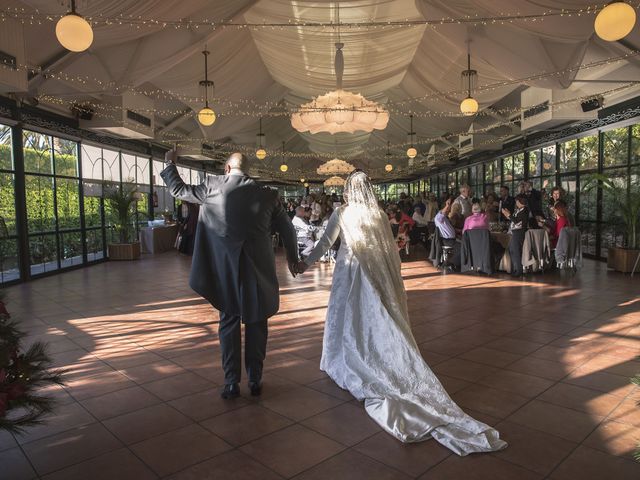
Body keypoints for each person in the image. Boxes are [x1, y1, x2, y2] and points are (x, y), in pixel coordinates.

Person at [294, 171, 506, 455]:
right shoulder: (380, 215)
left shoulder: (343, 213)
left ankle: (342, 358)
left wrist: (303, 264)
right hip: (375, 278)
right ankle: (374, 356)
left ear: (348, 190)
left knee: (346, 318)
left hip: (350, 275)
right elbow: (389, 252)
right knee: (374, 320)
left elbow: (324, 245)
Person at [161, 151, 299, 399]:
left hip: (225, 270)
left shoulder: (212, 187)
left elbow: (179, 190)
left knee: (228, 322)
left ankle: (231, 382)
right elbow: (288, 229)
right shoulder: (269, 195)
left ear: (226, 168)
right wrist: (293, 259)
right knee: (257, 324)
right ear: (249, 171)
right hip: (257, 271)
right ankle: (255, 379)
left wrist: (170, 163)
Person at [503, 194, 529, 277]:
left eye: (517, 201)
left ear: (520, 201)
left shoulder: (525, 210)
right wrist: (508, 215)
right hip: (515, 232)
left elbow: (517, 221)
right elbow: (514, 220)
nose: (516, 202)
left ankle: (518, 270)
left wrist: (508, 215)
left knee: (516, 251)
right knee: (512, 250)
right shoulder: (519, 210)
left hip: (519, 233)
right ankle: (515, 268)